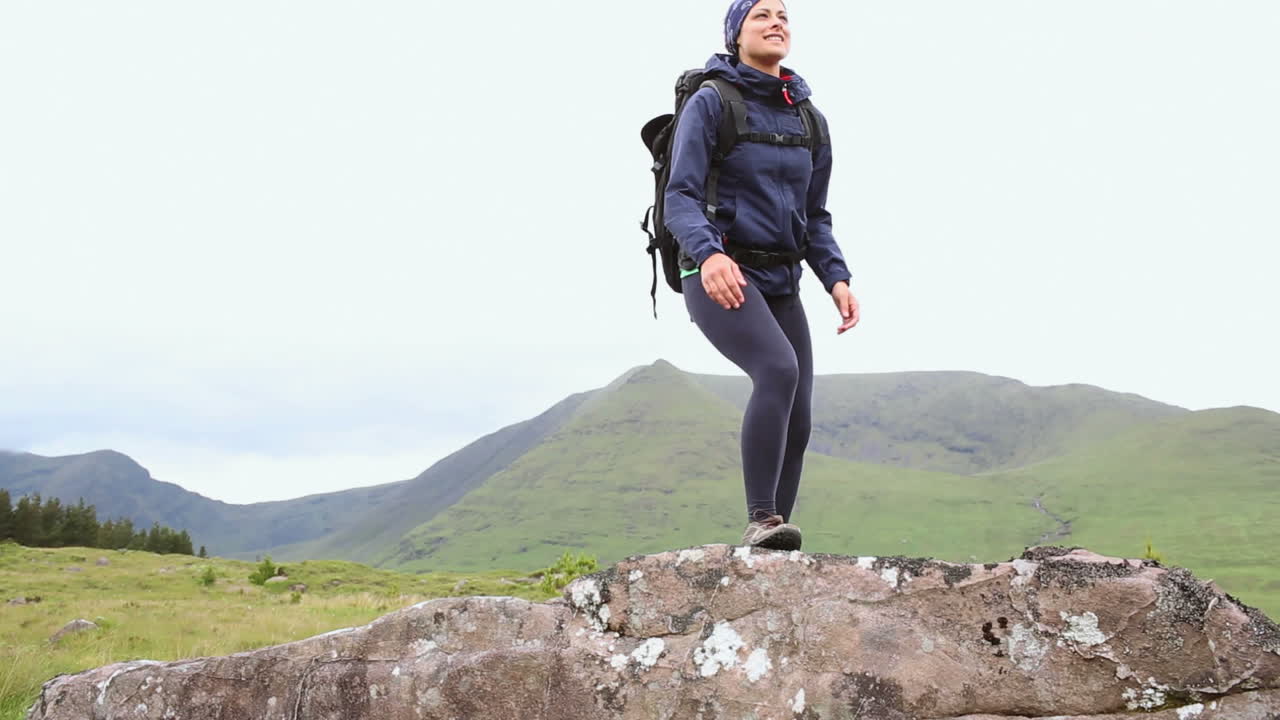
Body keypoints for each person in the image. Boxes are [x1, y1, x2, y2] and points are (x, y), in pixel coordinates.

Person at [664, 0, 860, 551]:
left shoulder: (809, 119)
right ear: (736, 34)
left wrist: (836, 277)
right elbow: (679, 197)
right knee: (777, 369)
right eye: (761, 15)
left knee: (799, 418)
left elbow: (814, 217)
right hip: (720, 272)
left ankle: (774, 545)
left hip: (782, 280)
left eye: (784, 15)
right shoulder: (712, 103)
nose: (777, 22)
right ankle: (762, 518)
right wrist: (708, 254)